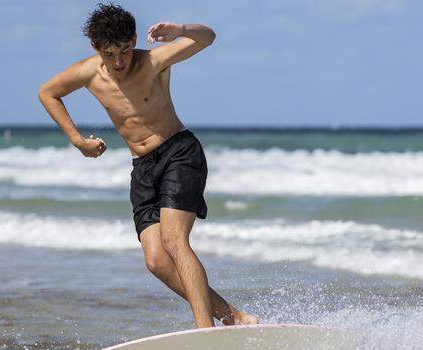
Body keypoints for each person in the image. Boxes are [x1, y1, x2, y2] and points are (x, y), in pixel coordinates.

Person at [38, 3, 258, 328]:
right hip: (142, 167)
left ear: (135, 40)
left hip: (178, 153)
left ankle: (204, 330)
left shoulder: (153, 60)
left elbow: (208, 38)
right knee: (156, 260)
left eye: (125, 50)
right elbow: (48, 92)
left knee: (174, 240)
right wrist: (77, 140)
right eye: (110, 53)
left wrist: (181, 30)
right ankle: (235, 317)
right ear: (96, 49)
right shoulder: (87, 72)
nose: (119, 61)